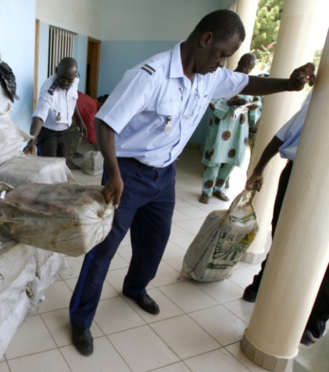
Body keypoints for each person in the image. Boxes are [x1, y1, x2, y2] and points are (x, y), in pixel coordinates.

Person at [68, 9, 315, 357]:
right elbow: (106, 125)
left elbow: (248, 84)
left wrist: (288, 85)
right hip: (129, 173)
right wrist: (115, 172)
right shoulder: (149, 75)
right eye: (221, 54)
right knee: (104, 247)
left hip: (165, 175)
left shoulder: (208, 75)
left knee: (155, 243)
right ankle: (80, 319)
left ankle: (135, 287)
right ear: (206, 39)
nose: (222, 63)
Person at [242, 90, 327, 345]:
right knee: (284, 237)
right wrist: (258, 169)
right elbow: (283, 135)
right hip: (300, 176)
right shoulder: (321, 102)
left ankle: (313, 319)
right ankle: (262, 285)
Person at [199, 53, 263, 204]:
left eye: (251, 67)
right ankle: (206, 191)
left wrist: (252, 107)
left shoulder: (250, 84)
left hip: (239, 130)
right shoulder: (225, 79)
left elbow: (257, 105)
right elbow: (212, 99)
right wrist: (231, 104)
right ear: (240, 61)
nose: (247, 70)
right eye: (246, 65)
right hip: (221, 127)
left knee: (230, 161)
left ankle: (218, 189)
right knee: (214, 160)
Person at [24, 57, 86, 157]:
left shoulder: (75, 79)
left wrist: (80, 121)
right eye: (62, 78)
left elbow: (72, 100)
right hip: (49, 132)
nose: (65, 83)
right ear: (56, 70)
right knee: (49, 165)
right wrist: (32, 139)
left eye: (69, 80)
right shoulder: (49, 90)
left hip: (65, 130)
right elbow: (39, 116)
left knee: (62, 163)